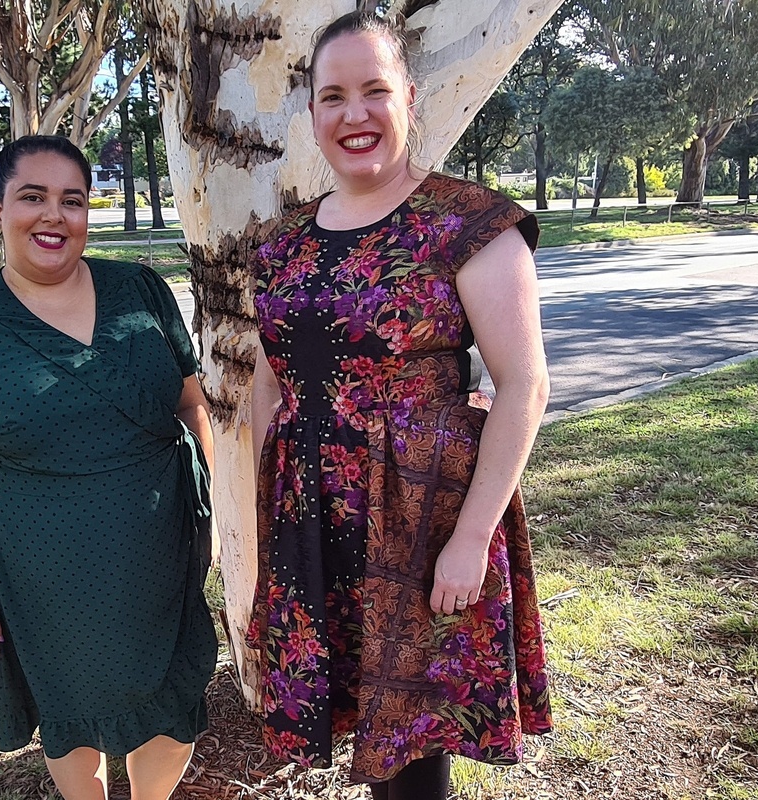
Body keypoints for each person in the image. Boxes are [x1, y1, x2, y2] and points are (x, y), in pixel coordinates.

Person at [246, 11, 554, 797]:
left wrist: (473, 538)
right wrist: (268, 524)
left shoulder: (468, 224)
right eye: (333, 95)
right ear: (310, 112)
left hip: (423, 522)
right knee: (367, 732)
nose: (355, 114)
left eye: (375, 91)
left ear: (409, 98)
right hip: (314, 518)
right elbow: (271, 386)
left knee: (414, 748)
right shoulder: (282, 243)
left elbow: (523, 384)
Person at [0, 135, 218, 800]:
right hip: (42, 579)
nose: (54, 215)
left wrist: (209, 514)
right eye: (33, 197)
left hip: (160, 559)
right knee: (73, 721)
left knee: (172, 706)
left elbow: (193, 407)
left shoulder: (140, 289)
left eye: (71, 201)